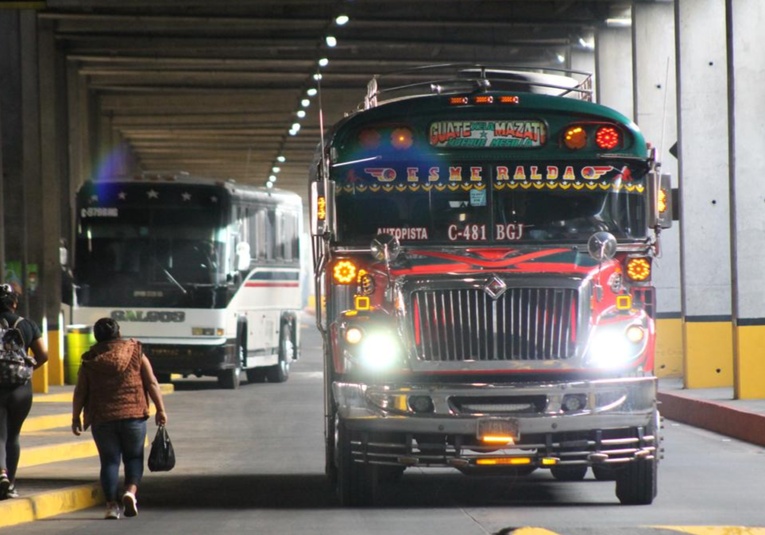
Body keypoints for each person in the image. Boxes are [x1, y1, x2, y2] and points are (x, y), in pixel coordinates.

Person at [71, 317, 168, 520]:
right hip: (133, 415)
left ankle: (111, 506)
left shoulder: (89, 359)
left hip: (102, 417)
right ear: (118, 332)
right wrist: (160, 409)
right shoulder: (135, 351)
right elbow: (151, 382)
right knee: (133, 457)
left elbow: (80, 392)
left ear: (96, 337)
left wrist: (76, 417)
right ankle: (130, 492)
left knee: (109, 462)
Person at [0, 283, 49, 500]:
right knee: (14, 435)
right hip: (21, 389)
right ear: (14, 303)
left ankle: (1, 472)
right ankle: (10, 484)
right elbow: (43, 355)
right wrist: (28, 369)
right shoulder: (28, 325)